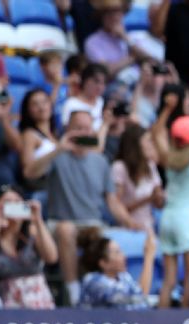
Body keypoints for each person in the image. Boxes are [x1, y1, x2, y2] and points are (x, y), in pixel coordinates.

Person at [46, 110, 133, 305]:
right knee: (66, 229)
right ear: (68, 129)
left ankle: (117, 296)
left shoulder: (100, 161)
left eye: (86, 128)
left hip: (92, 224)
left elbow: (112, 201)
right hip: (59, 223)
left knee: (110, 242)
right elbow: (30, 172)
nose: (83, 132)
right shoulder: (56, 155)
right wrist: (58, 149)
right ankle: (73, 290)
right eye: (78, 127)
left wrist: (130, 222)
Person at [150, 112, 189, 308]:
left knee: (169, 280)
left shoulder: (167, 157)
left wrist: (166, 109)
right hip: (187, 220)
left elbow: (156, 133)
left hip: (167, 217)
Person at [0, 187, 57, 309]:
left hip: (38, 300)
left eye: (17, 202)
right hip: (3, 304)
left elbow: (52, 257)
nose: (12, 205)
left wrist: (38, 220)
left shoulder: (32, 232)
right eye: (7, 202)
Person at [77, 226, 155, 309]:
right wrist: (148, 256)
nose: (124, 256)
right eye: (117, 253)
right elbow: (138, 298)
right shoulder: (93, 281)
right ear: (103, 263)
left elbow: (140, 295)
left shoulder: (124, 277)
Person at [112, 126, 165, 232]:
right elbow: (115, 206)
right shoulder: (120, 167)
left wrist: (159, 197)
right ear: (135, 144)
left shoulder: (150, 165)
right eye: (148, 141)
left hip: (149, 226)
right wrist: (147, 199)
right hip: (128, 228)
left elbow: (159, 204)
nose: (151, 145)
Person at [17, 89, 58, 191]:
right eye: (35, 104)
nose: (42, 107)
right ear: (28, 110)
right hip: (42, 190)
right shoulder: (29, 134)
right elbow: (27, 171)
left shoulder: (56, 135)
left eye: (45, 102)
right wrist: (57, 151)